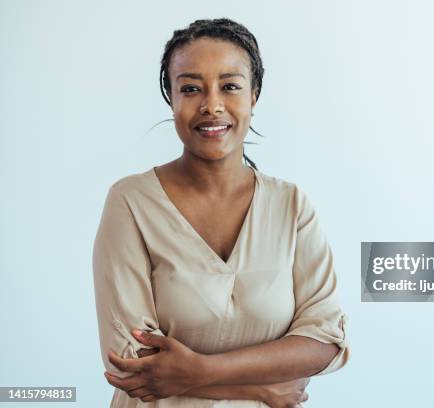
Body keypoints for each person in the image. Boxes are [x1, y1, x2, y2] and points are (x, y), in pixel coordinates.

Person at [92, 18, 349, 407]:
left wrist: (203, 371)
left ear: (254, 95)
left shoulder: (291, 205)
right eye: (191, 88)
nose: (211, 105)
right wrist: (259, 387)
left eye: (230, 86)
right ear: (172, 98)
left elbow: (326, 341)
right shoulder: (131, 202)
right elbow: (130, 362)